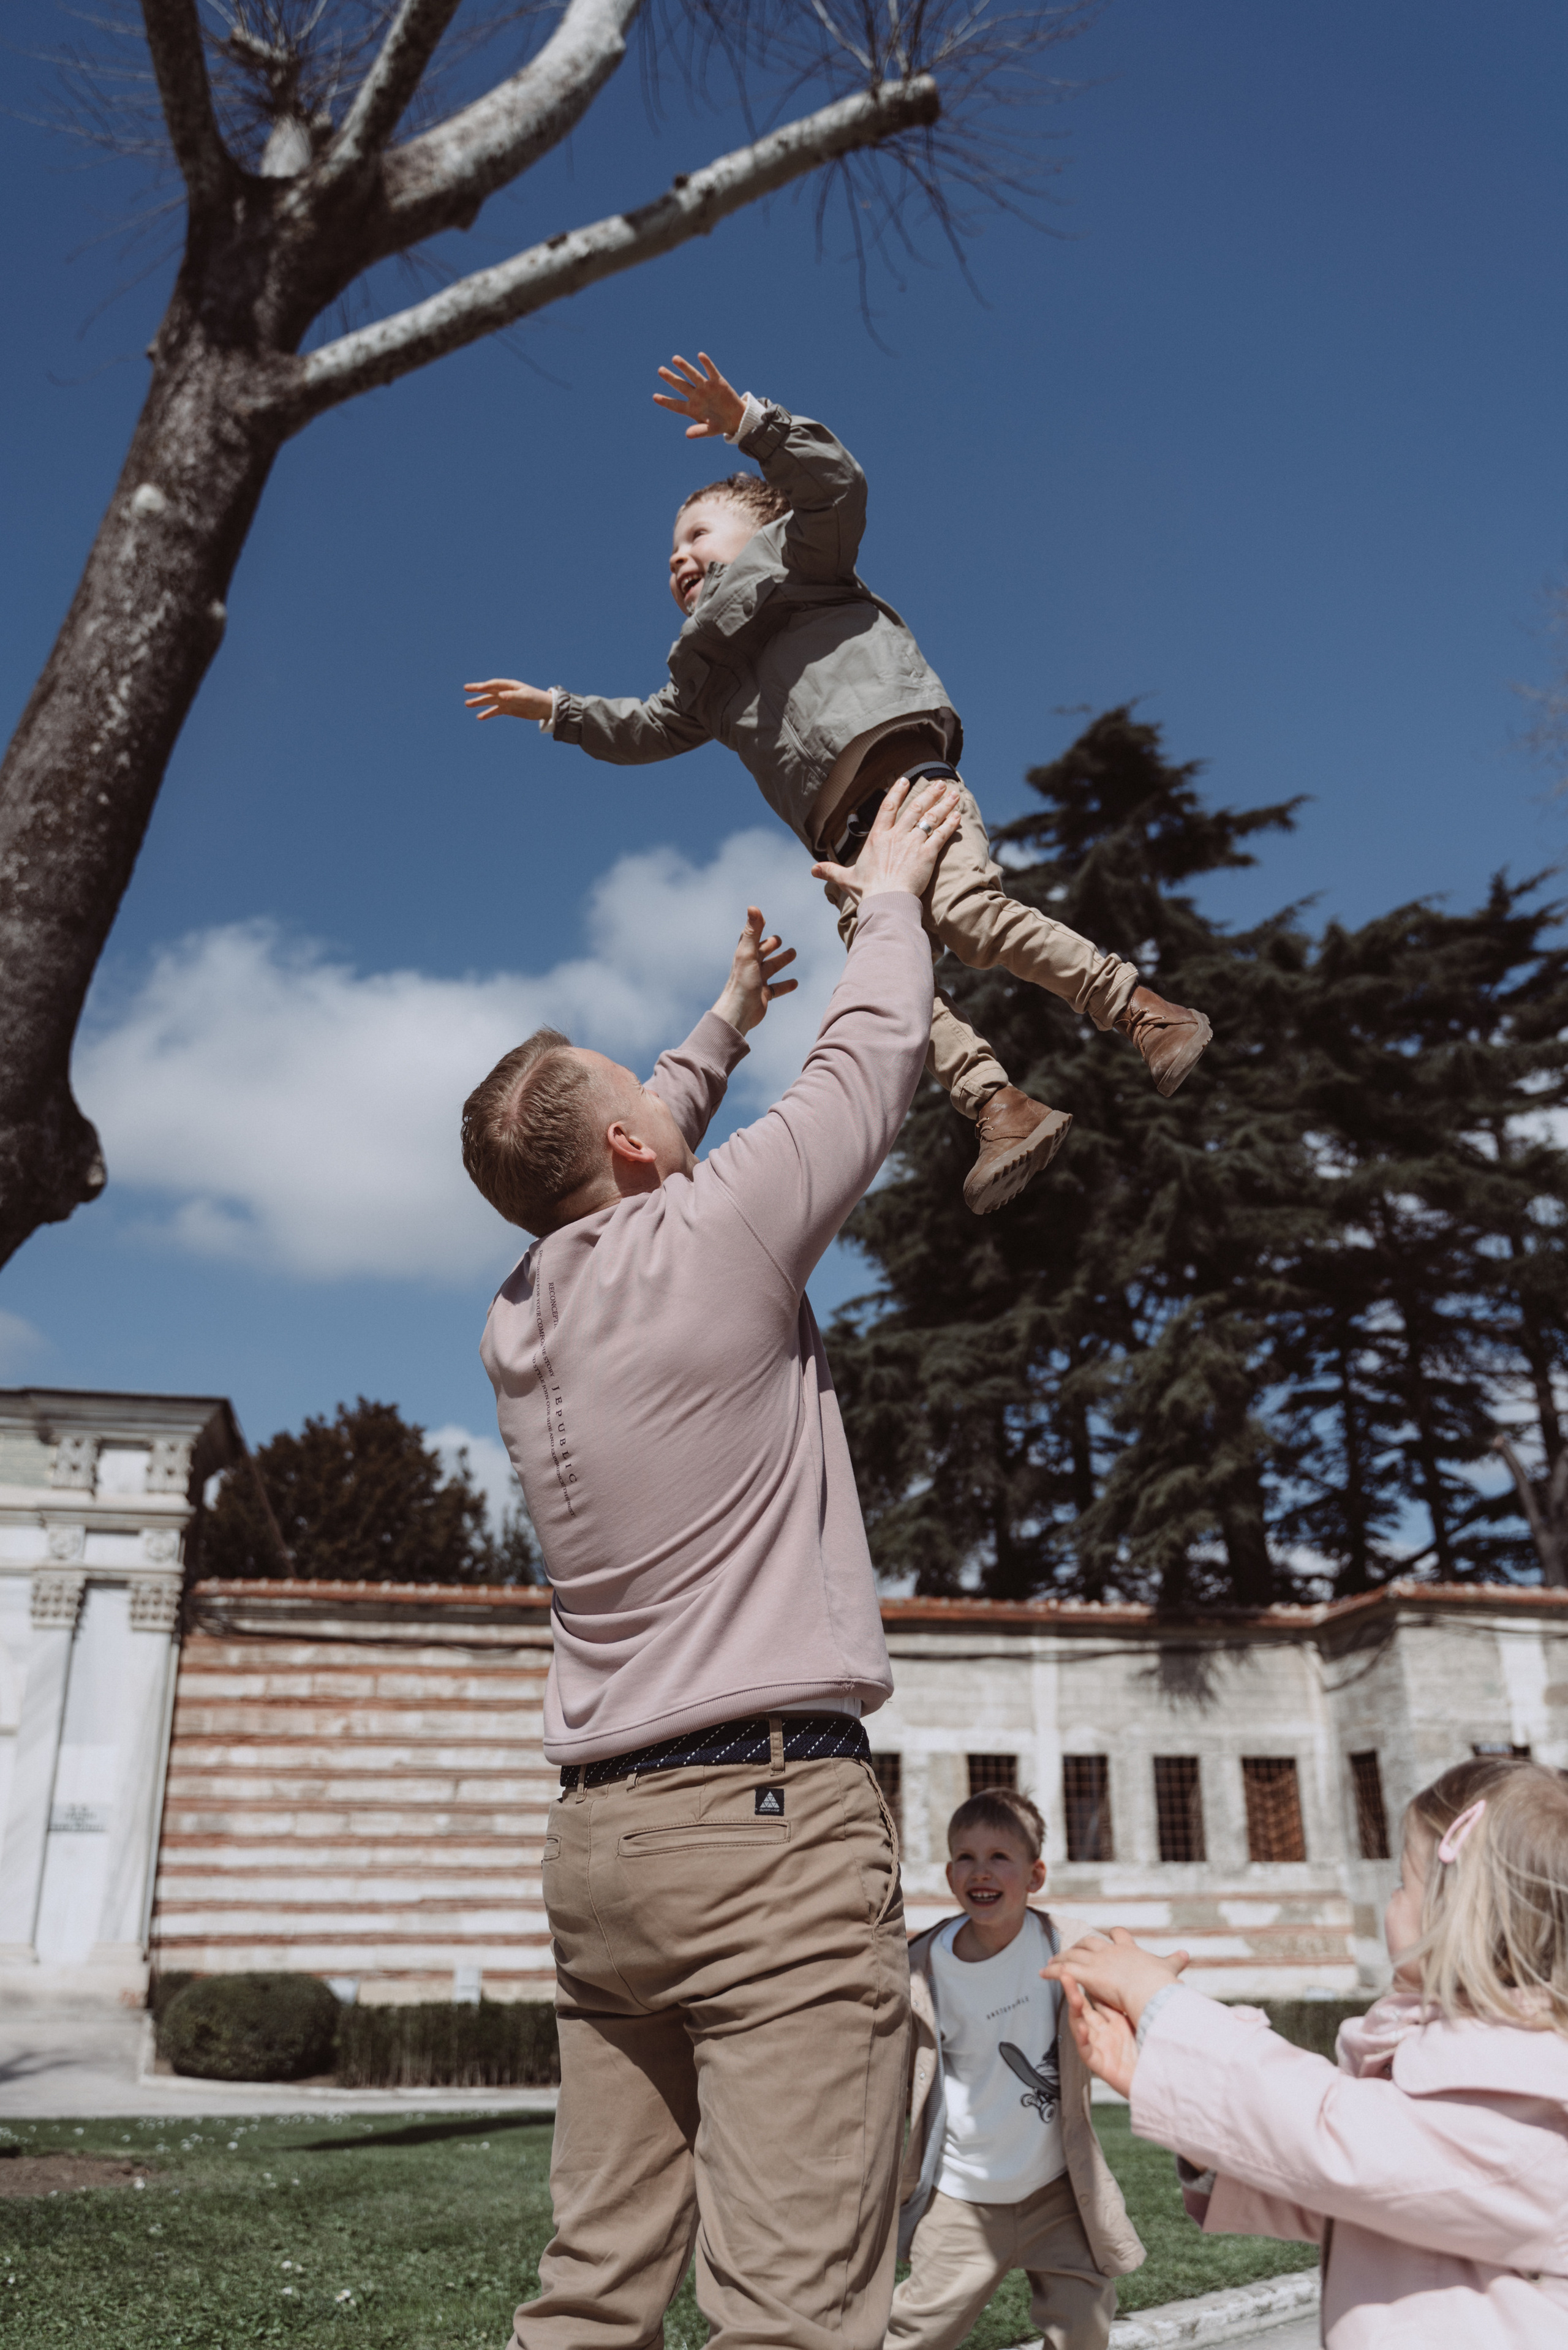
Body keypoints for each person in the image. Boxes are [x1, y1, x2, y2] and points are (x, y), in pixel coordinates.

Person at [461, 779, 962, 2350]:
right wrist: (890, 893)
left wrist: (720, 1022)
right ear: (631, 1142)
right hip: (760, 1833)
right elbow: (871, 1063)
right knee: (792, 2310)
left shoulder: (520, 1314)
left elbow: (608, 1149)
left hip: (603, 1853)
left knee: (594, 2290)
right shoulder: (714, 1234)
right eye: (652, 1093)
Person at [464, 350, 1212, 1216]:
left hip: (909, 785)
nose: (679, 557)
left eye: (697, 534)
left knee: (969, 922)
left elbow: (837, 484)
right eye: (670, 552)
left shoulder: (802, 560)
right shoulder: (701, 682)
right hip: (849, 850)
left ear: (761, 527)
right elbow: (639, 730)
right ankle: (1001, 1109)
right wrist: (554, 709)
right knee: (888, 990)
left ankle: (1145, 1013)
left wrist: (751, 424)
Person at [1046, 1757, 1568, 2348]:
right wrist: (1161, 2087)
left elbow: (1331, 2135)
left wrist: (1162, 2004)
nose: (1389, 1899)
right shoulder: (1468, 2061)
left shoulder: (1532, 2096)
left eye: (1403, 1882)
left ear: (1460, 1915)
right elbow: (1349, 2201)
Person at [891, 1787, 1144, 2350]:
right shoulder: (919, 1967)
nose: (981, 1870)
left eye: (999, 1856)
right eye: (966, 1856)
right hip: (961, 2197)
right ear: (950, 1872)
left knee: (1084, 2324)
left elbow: (1139, 2004)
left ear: (1035, 1875)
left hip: (1057, 2193)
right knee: (913, 2334)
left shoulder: (1071, 1947)